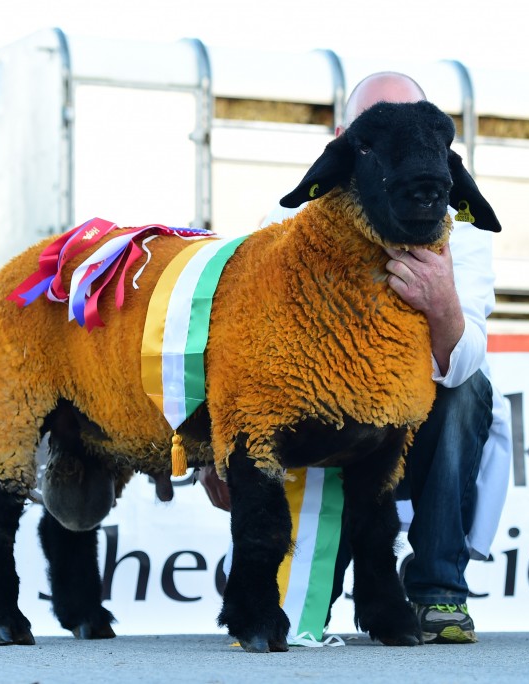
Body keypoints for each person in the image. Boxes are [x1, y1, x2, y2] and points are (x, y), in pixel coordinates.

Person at [198, 71, 509, 645]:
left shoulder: (456, 222)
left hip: (412, 425)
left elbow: (463, 364)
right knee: (308, 598)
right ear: (345, 140)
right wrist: (218, 448)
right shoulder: (291, 220)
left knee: (468, 391)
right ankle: (294, 579)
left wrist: (441, 301)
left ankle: (439, 592)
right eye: (379, 127)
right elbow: (243, 339)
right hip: (320, 414)